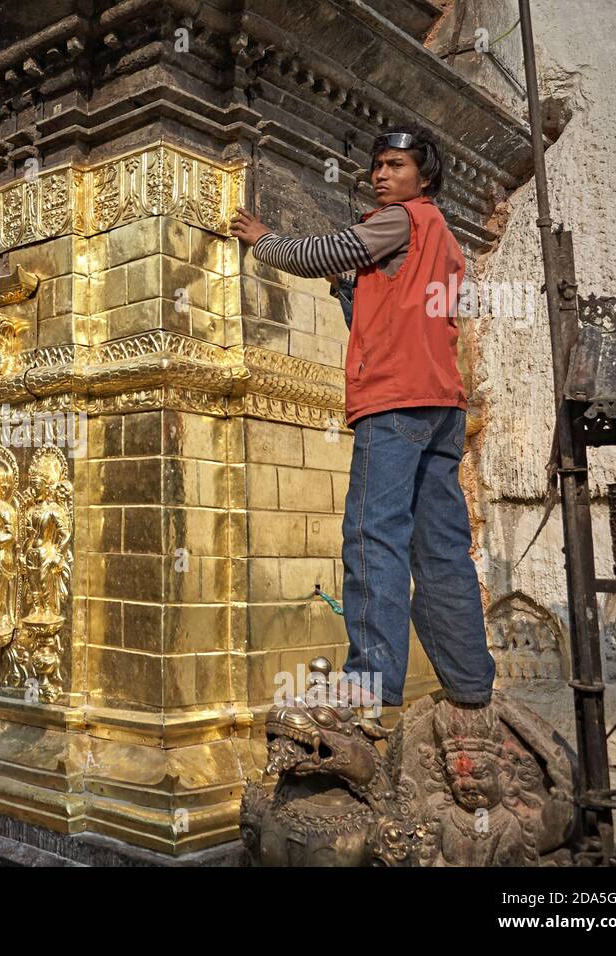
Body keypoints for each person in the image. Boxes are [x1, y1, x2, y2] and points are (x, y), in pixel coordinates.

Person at [230, 126, 494, 710]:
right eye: (377, 165)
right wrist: (349, 289)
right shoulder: (444, 240)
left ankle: (369, 683)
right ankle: (472, 687)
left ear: (424, 178)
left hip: (395, 401)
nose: (381, 175)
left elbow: (319, 251)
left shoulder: (401, 219)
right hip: (441, 407)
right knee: (441, 549)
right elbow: (395, 315)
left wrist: (264, 238)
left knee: (374, 537)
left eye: (395, 165)